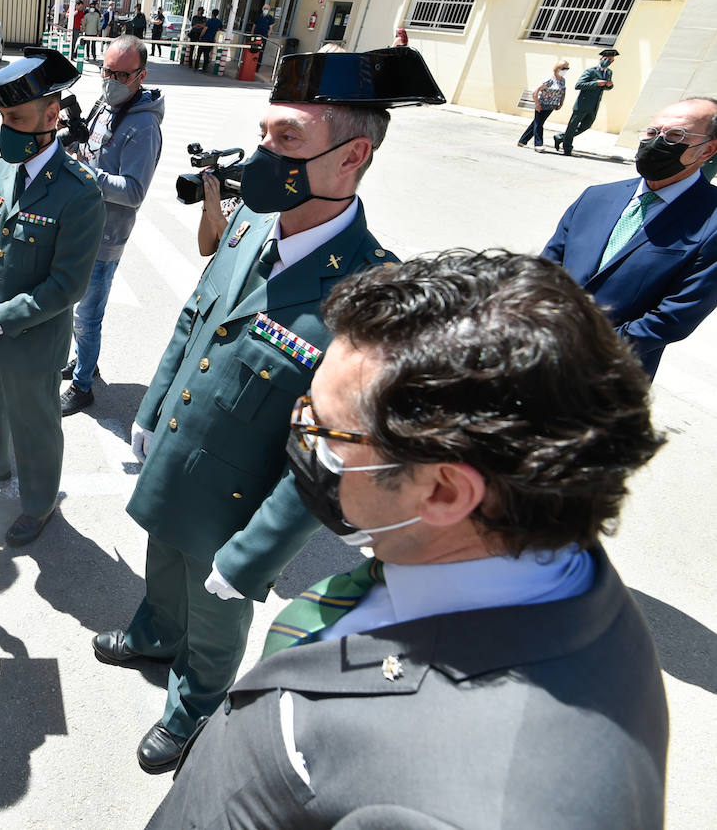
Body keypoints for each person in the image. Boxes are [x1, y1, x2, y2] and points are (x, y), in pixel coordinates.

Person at [145, 250, 668, 829]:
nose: (297, 439)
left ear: (445, 491)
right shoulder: (509, 558)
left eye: (321, 429)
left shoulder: (469, 806)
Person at [93, 47, 445, 774]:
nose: (263, 153)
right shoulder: (255, 220)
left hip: (239, 500)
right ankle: (155, 629)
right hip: (183, 453)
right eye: (264, 134)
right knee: (162, 553)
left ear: (351, 157)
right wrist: (154, 407)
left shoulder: (370, 296)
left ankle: (194, 704)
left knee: (216, 605)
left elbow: (336, 450)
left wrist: (253, 556)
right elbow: (197, 316)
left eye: (287, 140)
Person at [0, 47, 106, 546]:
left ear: (51, 115)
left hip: (33, 336)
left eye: (16, 117)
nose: (7, 127)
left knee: (35, 423)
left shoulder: (79, 191)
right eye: (2, 116)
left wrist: (6, 316)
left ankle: (40, 503)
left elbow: (69, 285)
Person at [542, 96, 717, 379]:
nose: (656, 143)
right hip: (536, 355)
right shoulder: (596, 197)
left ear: (708, 149)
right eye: (652, 133)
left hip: (609, 378)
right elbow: (545, 270)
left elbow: (673, 317)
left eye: (675, 136)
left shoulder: (712, 221)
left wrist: (584, 348)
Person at [60, 35, 165, 415]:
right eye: (107, 71)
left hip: (105, 238)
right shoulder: (105, 105)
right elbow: (92, 150)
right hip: (81, 225)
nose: (112, 80)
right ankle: (83, 361)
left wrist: (85, 172)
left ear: (141, 76)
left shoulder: (143, 126)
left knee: (88, 317)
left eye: (122, 74)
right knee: (76, 311)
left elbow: (134, 191)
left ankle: (83, 385)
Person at [554, 47, 617, 155]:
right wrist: (596, 83)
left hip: (595, 105)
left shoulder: (609, 72)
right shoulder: (591, 71)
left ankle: (560, 137)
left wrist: (610, 86)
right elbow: (578, 85)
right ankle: (567, 147)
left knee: (586, 126)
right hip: (583, 103)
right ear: (601, 59)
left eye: (611, 60)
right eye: (607, 59)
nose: (609, 61)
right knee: (572, 126)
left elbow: (605, 87)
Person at [518, 59, 568, 149]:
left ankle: (522, 141)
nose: (566, 70)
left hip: (551, 106)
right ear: (558, 68)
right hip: (542, 105)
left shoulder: (562, 80)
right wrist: (537, 104)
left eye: (567, 68)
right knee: (539, 124)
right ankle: (538, 144)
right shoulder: (550, 79)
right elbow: (535, 92)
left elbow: (563, 92)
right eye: (564, 68)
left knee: (536, 123)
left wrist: (561, 103)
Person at [198, 8, 222, 73]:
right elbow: (220, 30)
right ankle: (204, 68)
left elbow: (204, 29)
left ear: (212, 14)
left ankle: (196, 67)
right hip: (211, 40)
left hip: (205, 39)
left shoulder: (209, 21)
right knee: (207, 54)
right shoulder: (219, 22)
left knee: (199, 53)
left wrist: (200, 36)